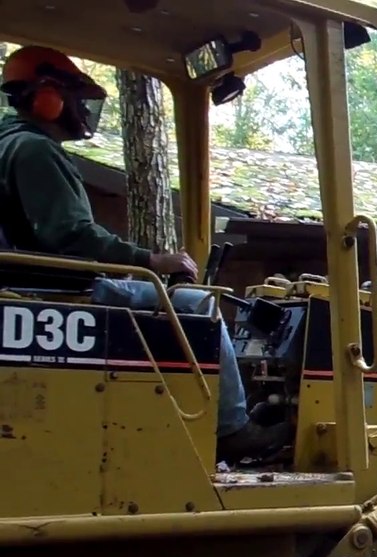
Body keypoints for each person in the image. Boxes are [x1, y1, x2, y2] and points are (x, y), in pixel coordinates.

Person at [0, 45, 287, 463]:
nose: (82, 111)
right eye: (77, 99)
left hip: (32, 286)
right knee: (199, 302)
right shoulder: (34, 151)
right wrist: (152, 261)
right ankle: (230, 428)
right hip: (58, 289)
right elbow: (72, 235)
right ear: (47, 98)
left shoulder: (9, 145)